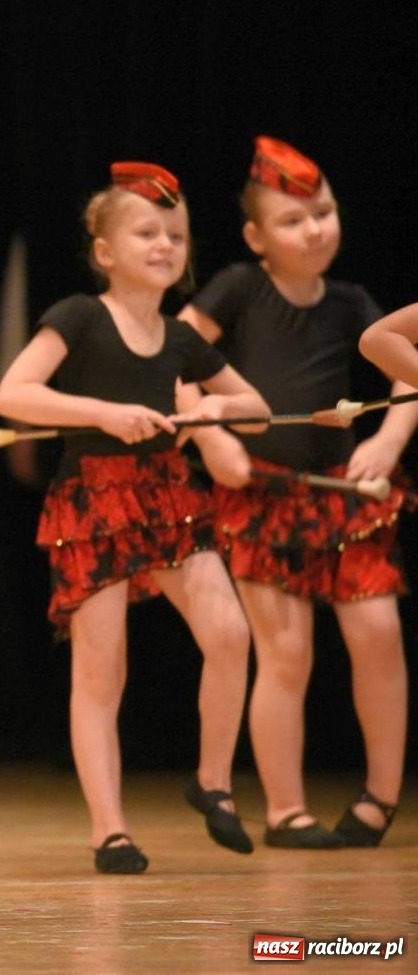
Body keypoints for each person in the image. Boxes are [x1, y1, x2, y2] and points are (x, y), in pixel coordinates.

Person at [0, 162, 267, 874]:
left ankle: (211, 781)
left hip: (168, 498)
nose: (165, 245)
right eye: (146, 232)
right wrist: (103, 414)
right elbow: (13, 395)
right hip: (94, 501)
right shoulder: (79, 316)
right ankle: (109, 829)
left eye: (175, 234)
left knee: (231, 634)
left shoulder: (180, 337)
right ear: (105, 253)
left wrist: (213, 409)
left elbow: (256, 407)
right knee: (101, 671)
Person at [181, 137, 412, 848]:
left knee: (378, 636)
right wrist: (213, 439)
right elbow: (177, 360)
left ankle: (379, 797)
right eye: (293, 220)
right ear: (256, 237)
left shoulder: (350, 303)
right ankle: (286, 809)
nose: (314, 229)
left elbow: (409, 375)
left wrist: (388, 441)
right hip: (264, 496)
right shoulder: (237, 289)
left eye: (325, 212)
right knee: (286, 653)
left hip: (343, 495)